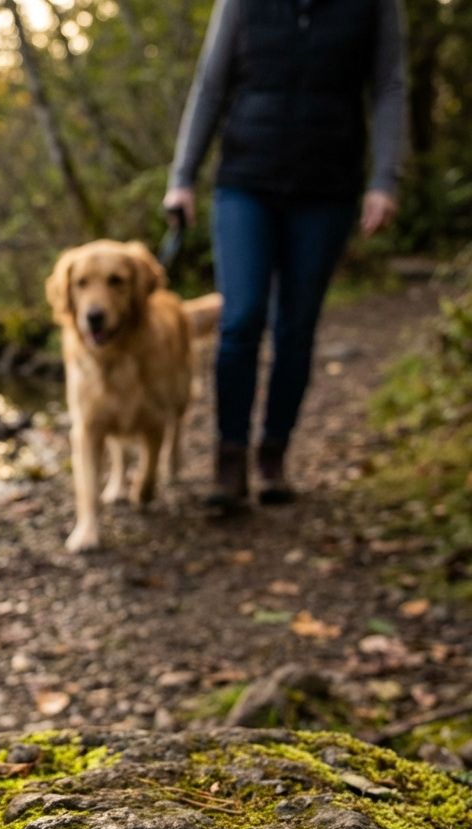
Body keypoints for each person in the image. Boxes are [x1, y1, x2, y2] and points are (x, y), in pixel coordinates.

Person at [163, 0, 407, 510]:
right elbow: (210, 84)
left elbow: (388, 87)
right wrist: (183, 177)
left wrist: (384, 179)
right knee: (240, 317)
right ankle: (230, 459)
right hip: (245, 181)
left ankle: (273, 453)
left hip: (328, 187)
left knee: (296, 325)